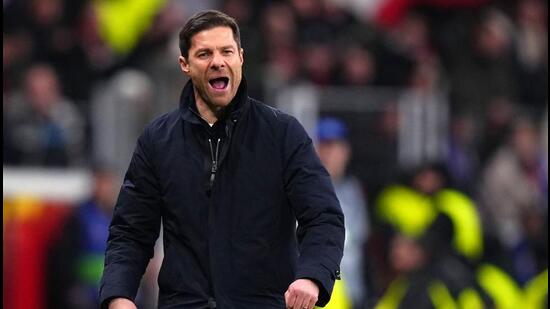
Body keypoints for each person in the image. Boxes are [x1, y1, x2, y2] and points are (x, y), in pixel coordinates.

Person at [99, 10, 345, 309]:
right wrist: (118, 295)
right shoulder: (158, 140)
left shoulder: (282, 134)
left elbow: (323, 216)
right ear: (185, 65)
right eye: (204, 53)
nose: (218, 61)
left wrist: (312, 276)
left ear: (240, 57)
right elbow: (131, 231)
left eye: (226, 51)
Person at [315, 117, 370, 309]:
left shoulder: (354, 192)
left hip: (350, 295)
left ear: (346, 152)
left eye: (334, 146)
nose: (328, 154)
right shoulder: (299, 190)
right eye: (323, 146)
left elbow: (359, 245)